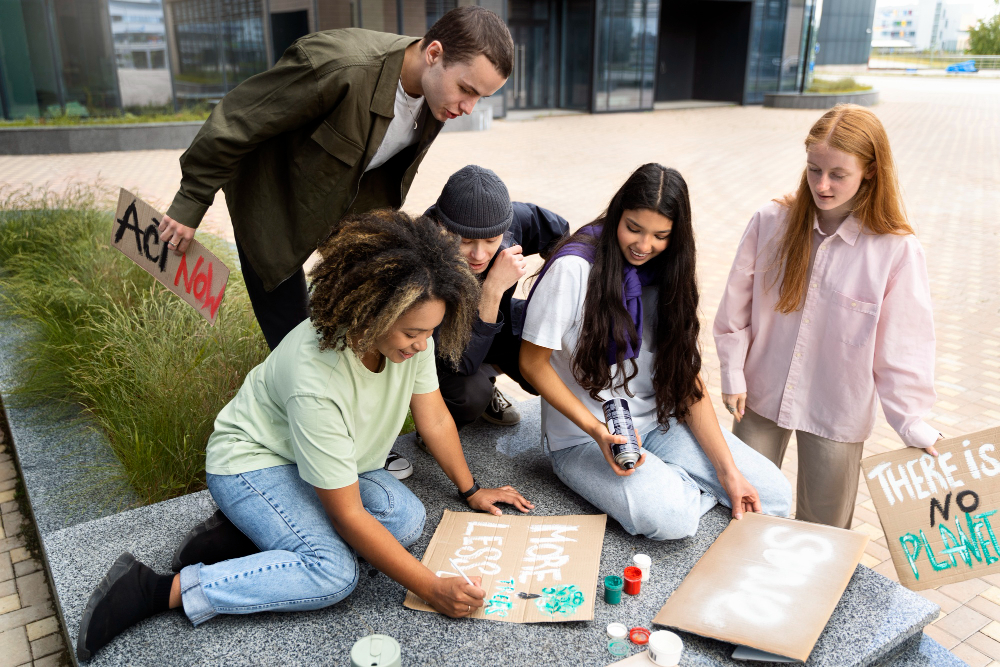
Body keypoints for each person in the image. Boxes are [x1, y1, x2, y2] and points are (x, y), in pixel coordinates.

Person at [76, 210, 534, 661]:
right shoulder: (317, 377)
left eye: (430, 332)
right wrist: (431, 588)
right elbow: (350, 517)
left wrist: (471, 489)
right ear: (371, 312)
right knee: (333, 574)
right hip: (252, 462)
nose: (421, 345)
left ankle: (250, 535)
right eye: (412, 333)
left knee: (404, 517)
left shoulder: (415, 330)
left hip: (319, 462)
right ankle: (156, 589)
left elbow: (433, 416)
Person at [156, 6, 512, 480]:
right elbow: (237, 119)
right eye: (467, 89)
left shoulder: (436, 96)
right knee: (298, 342)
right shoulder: (338, 67)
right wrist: (189, 204)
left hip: (344, 215)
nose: (468, 107)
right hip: (275, 208)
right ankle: (288, 448)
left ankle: (359, 437)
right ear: (433, 53)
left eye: (480, 98)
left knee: (362, 321)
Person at [519, 164, 791, 540]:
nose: (644, 246)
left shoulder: (668, 272)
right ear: (617, 214)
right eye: (633, 228)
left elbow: (684, 379)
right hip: (586, 437)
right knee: (672, 519)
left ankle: (675, 482)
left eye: (660, 235)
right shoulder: (574, 268)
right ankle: (674, 489)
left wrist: (729, 472)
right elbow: (531, 363)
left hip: (659, 421)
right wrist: (596, 430)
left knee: (774, 494)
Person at [713, 104, 940, 529]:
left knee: (824, 530)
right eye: (814, 169)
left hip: (837, 409)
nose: (822, 185)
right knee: (744, 510)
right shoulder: (770, 221)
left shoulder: (896, 250)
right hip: (760, 393)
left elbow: (904, 347)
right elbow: (734, 306)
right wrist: (732, 373)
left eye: (838, 174)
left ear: (870, 170)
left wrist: (912, 423)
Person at [424, 165, 569, 429]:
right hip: (442, 352)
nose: (479, 255)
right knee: (470, 395)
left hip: (494, 326)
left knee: (556, 357)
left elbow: (561, 235)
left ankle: (490, 375)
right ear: (440, 226)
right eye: (465, 241)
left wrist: (550, 294)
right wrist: (492, 289)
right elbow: (461, 362)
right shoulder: (422, 259)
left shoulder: (514, 220)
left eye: (491, 240)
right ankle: (434, 421)